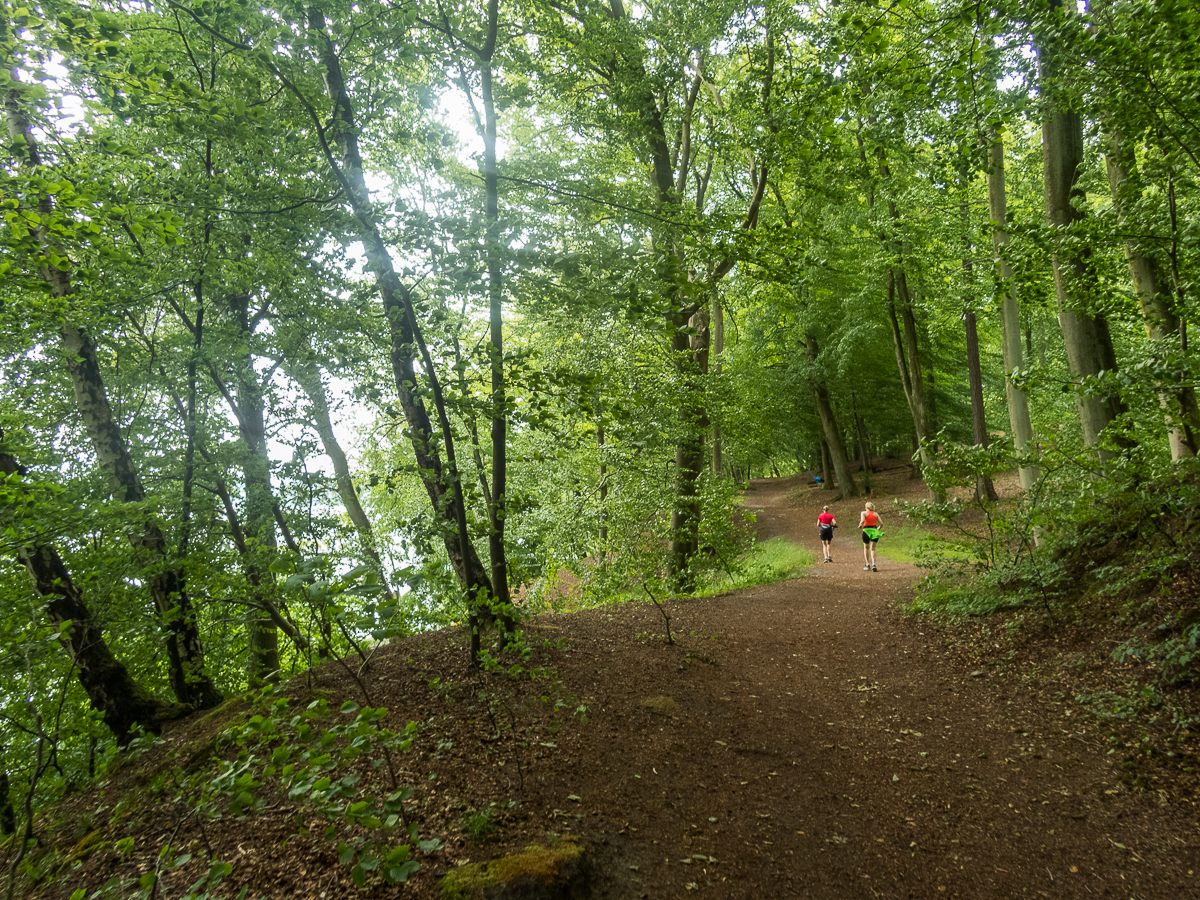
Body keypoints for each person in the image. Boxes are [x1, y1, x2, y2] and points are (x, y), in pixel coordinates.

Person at [859, 501, 883, 571]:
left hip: (866, 531)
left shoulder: (864, 513)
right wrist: (878, 529)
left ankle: (867, 564)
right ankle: (874, 564)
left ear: (867, 507)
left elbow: (863, 520)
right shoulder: (876, 514)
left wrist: (860, 524)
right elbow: (881, 523)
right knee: (873, 549)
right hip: (874, 531)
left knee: (866, 547)